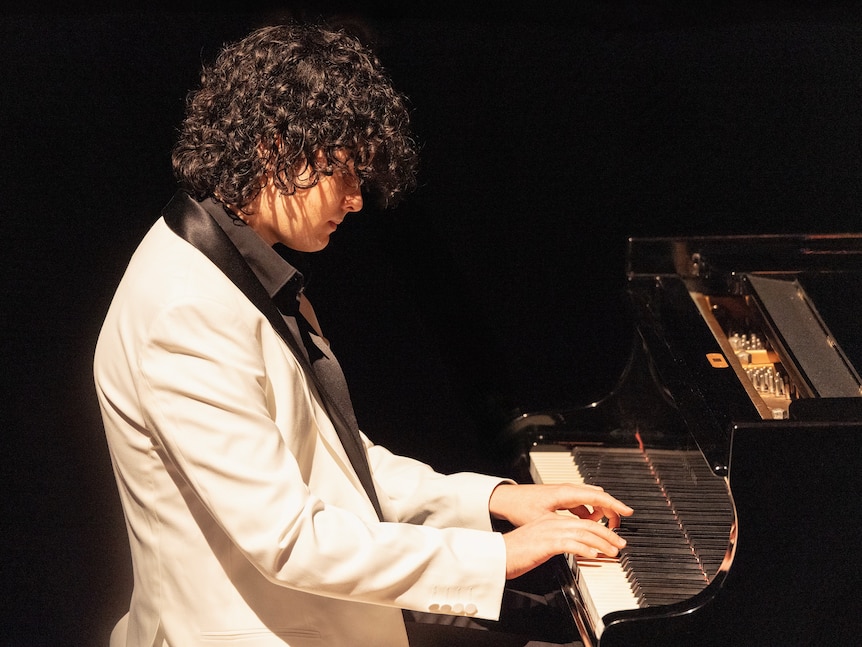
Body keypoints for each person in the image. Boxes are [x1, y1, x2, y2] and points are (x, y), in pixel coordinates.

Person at [93, 21, 633, 647]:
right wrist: (497, 558)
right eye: (344, 173)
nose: (355, 201)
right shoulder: (186, 312)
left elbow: (340, 466)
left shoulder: (237, 264)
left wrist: (493, 502)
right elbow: (289, 540)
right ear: (275, 149)